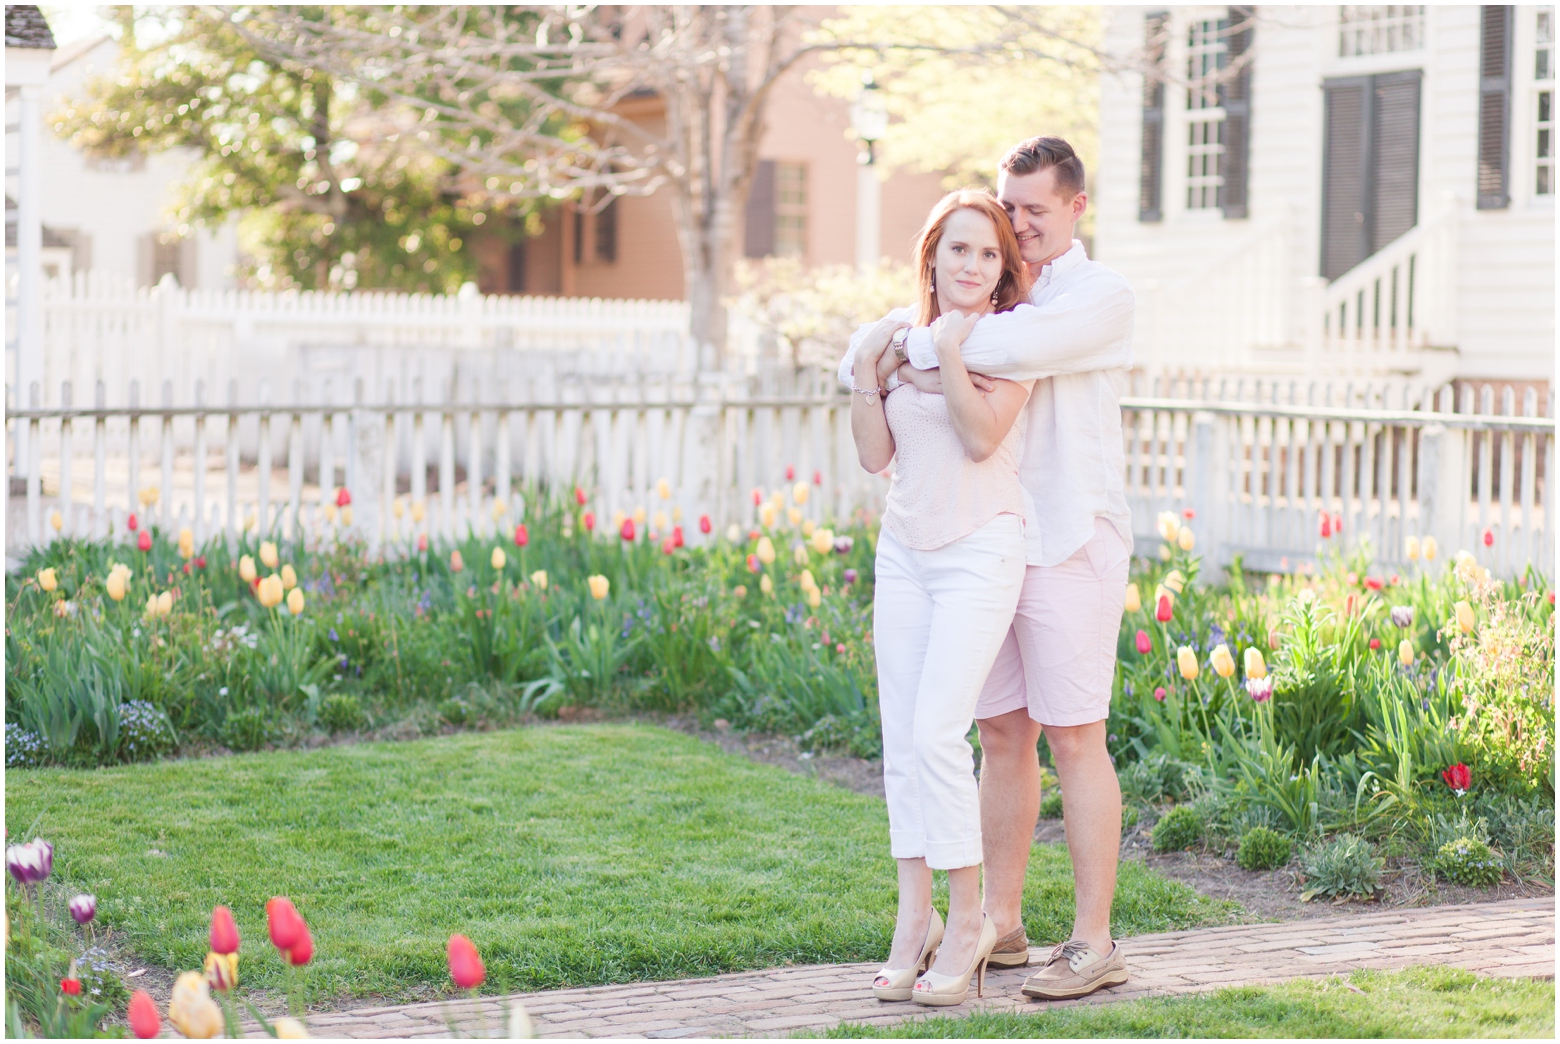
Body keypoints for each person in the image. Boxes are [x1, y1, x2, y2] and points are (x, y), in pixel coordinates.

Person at [840, 136, 1134, 1001]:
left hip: (1068, 535)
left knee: (1076, 736)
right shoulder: (995, 293)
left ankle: (1093, 941)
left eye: (1035, 210)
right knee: (1000, 735)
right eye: (1011, 209)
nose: (1019, 225)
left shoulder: (1094, 298)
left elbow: (981, 348)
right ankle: (997, 924)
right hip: (985, 542)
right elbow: (878, 349)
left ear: (1076, 208)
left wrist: (920, 348)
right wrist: (899, 349)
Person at [849, 189, 1036, 1008]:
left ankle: (971, 921)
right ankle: (913, 915)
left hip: (980, 551)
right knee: (901, 740)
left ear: (1002, 275)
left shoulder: (1014, 342)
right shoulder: (895, 338)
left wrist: (949, 356)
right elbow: (873, 455)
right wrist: (867, 372)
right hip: (906, 552)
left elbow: (980, 435)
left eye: (989, 254)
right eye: (959, 249)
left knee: (936, 733)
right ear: (933, 257)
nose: (972, 265)